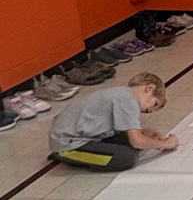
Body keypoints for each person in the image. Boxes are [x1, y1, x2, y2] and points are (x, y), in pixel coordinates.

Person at [48, 72, 177, 171]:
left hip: (72, 134)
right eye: (154, 104)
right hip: (67, 143)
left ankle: (76, 153)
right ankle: (69, 155)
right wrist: (166, 144)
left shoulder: (122, 93)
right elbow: (137, 141)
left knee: (131, 140)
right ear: (149, 88)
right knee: (126, 157)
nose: (149, 111)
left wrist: (151, 140)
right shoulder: (129, 100)